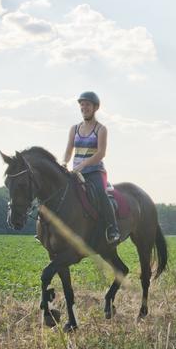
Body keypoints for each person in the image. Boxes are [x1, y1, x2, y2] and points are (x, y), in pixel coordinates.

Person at [63, 91, 119, 244]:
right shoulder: (74, 129)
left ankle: (113, 228)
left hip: (95, 171)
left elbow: (101, 153)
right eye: (82, 104)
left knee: (101, 193)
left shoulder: (101, 129)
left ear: (95, 107)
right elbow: (69, 150)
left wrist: (82, 165)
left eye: (87, 104)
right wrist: (64, 163)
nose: (84, 107)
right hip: (76, 172)